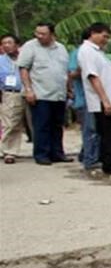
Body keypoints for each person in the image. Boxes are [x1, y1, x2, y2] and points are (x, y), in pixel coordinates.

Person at [79, 22, 111, 175]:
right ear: (93, 33)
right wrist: (105, 100)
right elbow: (92, 77)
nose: (106, 40)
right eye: (104, 36)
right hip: (103, 100)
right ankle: (110, 164)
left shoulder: (98, 52)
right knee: (109, 134)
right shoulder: (87, 51)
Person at [17, 22, 70, 165]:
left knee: (57, 125)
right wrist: (28, 89)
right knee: (42, 125)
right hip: (40, 94)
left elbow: (65, 71)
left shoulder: (61, 48)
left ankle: (57, 153)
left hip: (58, 94)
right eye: (37, 33)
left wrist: (68, 90)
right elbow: (23, 69)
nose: (39, 36)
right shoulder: (30, 47)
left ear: (52, 34)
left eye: (43, 34)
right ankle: (42, 154)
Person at [68, 29, 99, 170]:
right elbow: (72, 73)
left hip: (95, 98)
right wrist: (84, 69)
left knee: (95, 129)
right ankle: (89, 159)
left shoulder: (96, 52)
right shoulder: (80, 52)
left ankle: (87, 154)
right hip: (84, 98)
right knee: (90, 129)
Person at [0, 34, 31, 163]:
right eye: (4, 43)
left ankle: (44, 150)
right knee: (11, 123)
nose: (6, 45)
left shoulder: (26, 57)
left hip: (30, 91)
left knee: (34, 122)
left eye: (9, 42)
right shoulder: (1, 60)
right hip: (11, 92)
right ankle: (9, 152)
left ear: (17, 44)